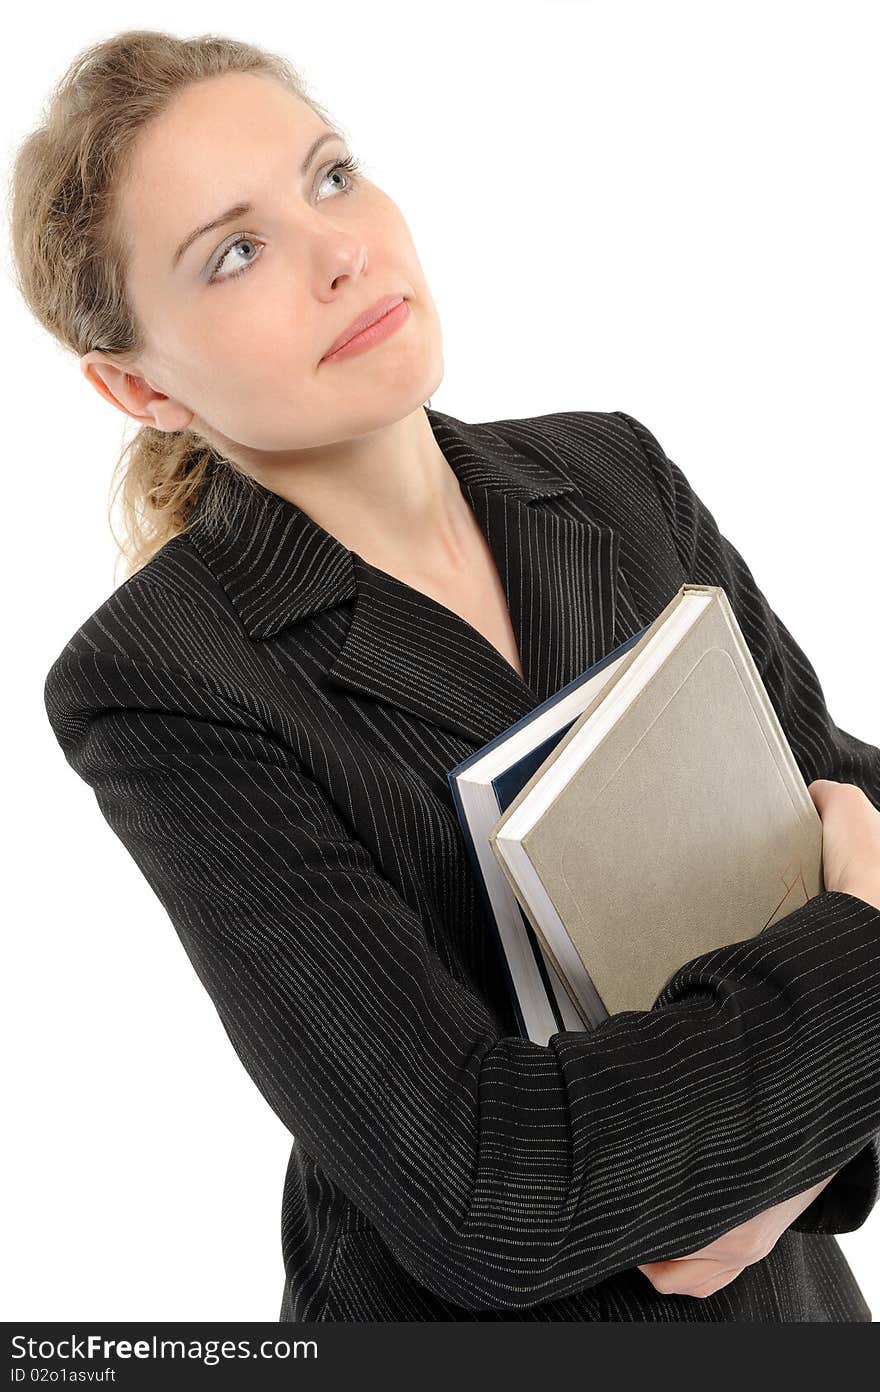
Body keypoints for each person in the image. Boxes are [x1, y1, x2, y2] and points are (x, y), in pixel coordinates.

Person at [14, 29, 880, 1322]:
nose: (339, 250)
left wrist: (766, 1184)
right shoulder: (163, 679)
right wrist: (858, 953)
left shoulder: (611, 472)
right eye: (235, 250)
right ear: (137, 385)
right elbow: (492, 1193)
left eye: (330, 176)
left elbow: (843, 797)